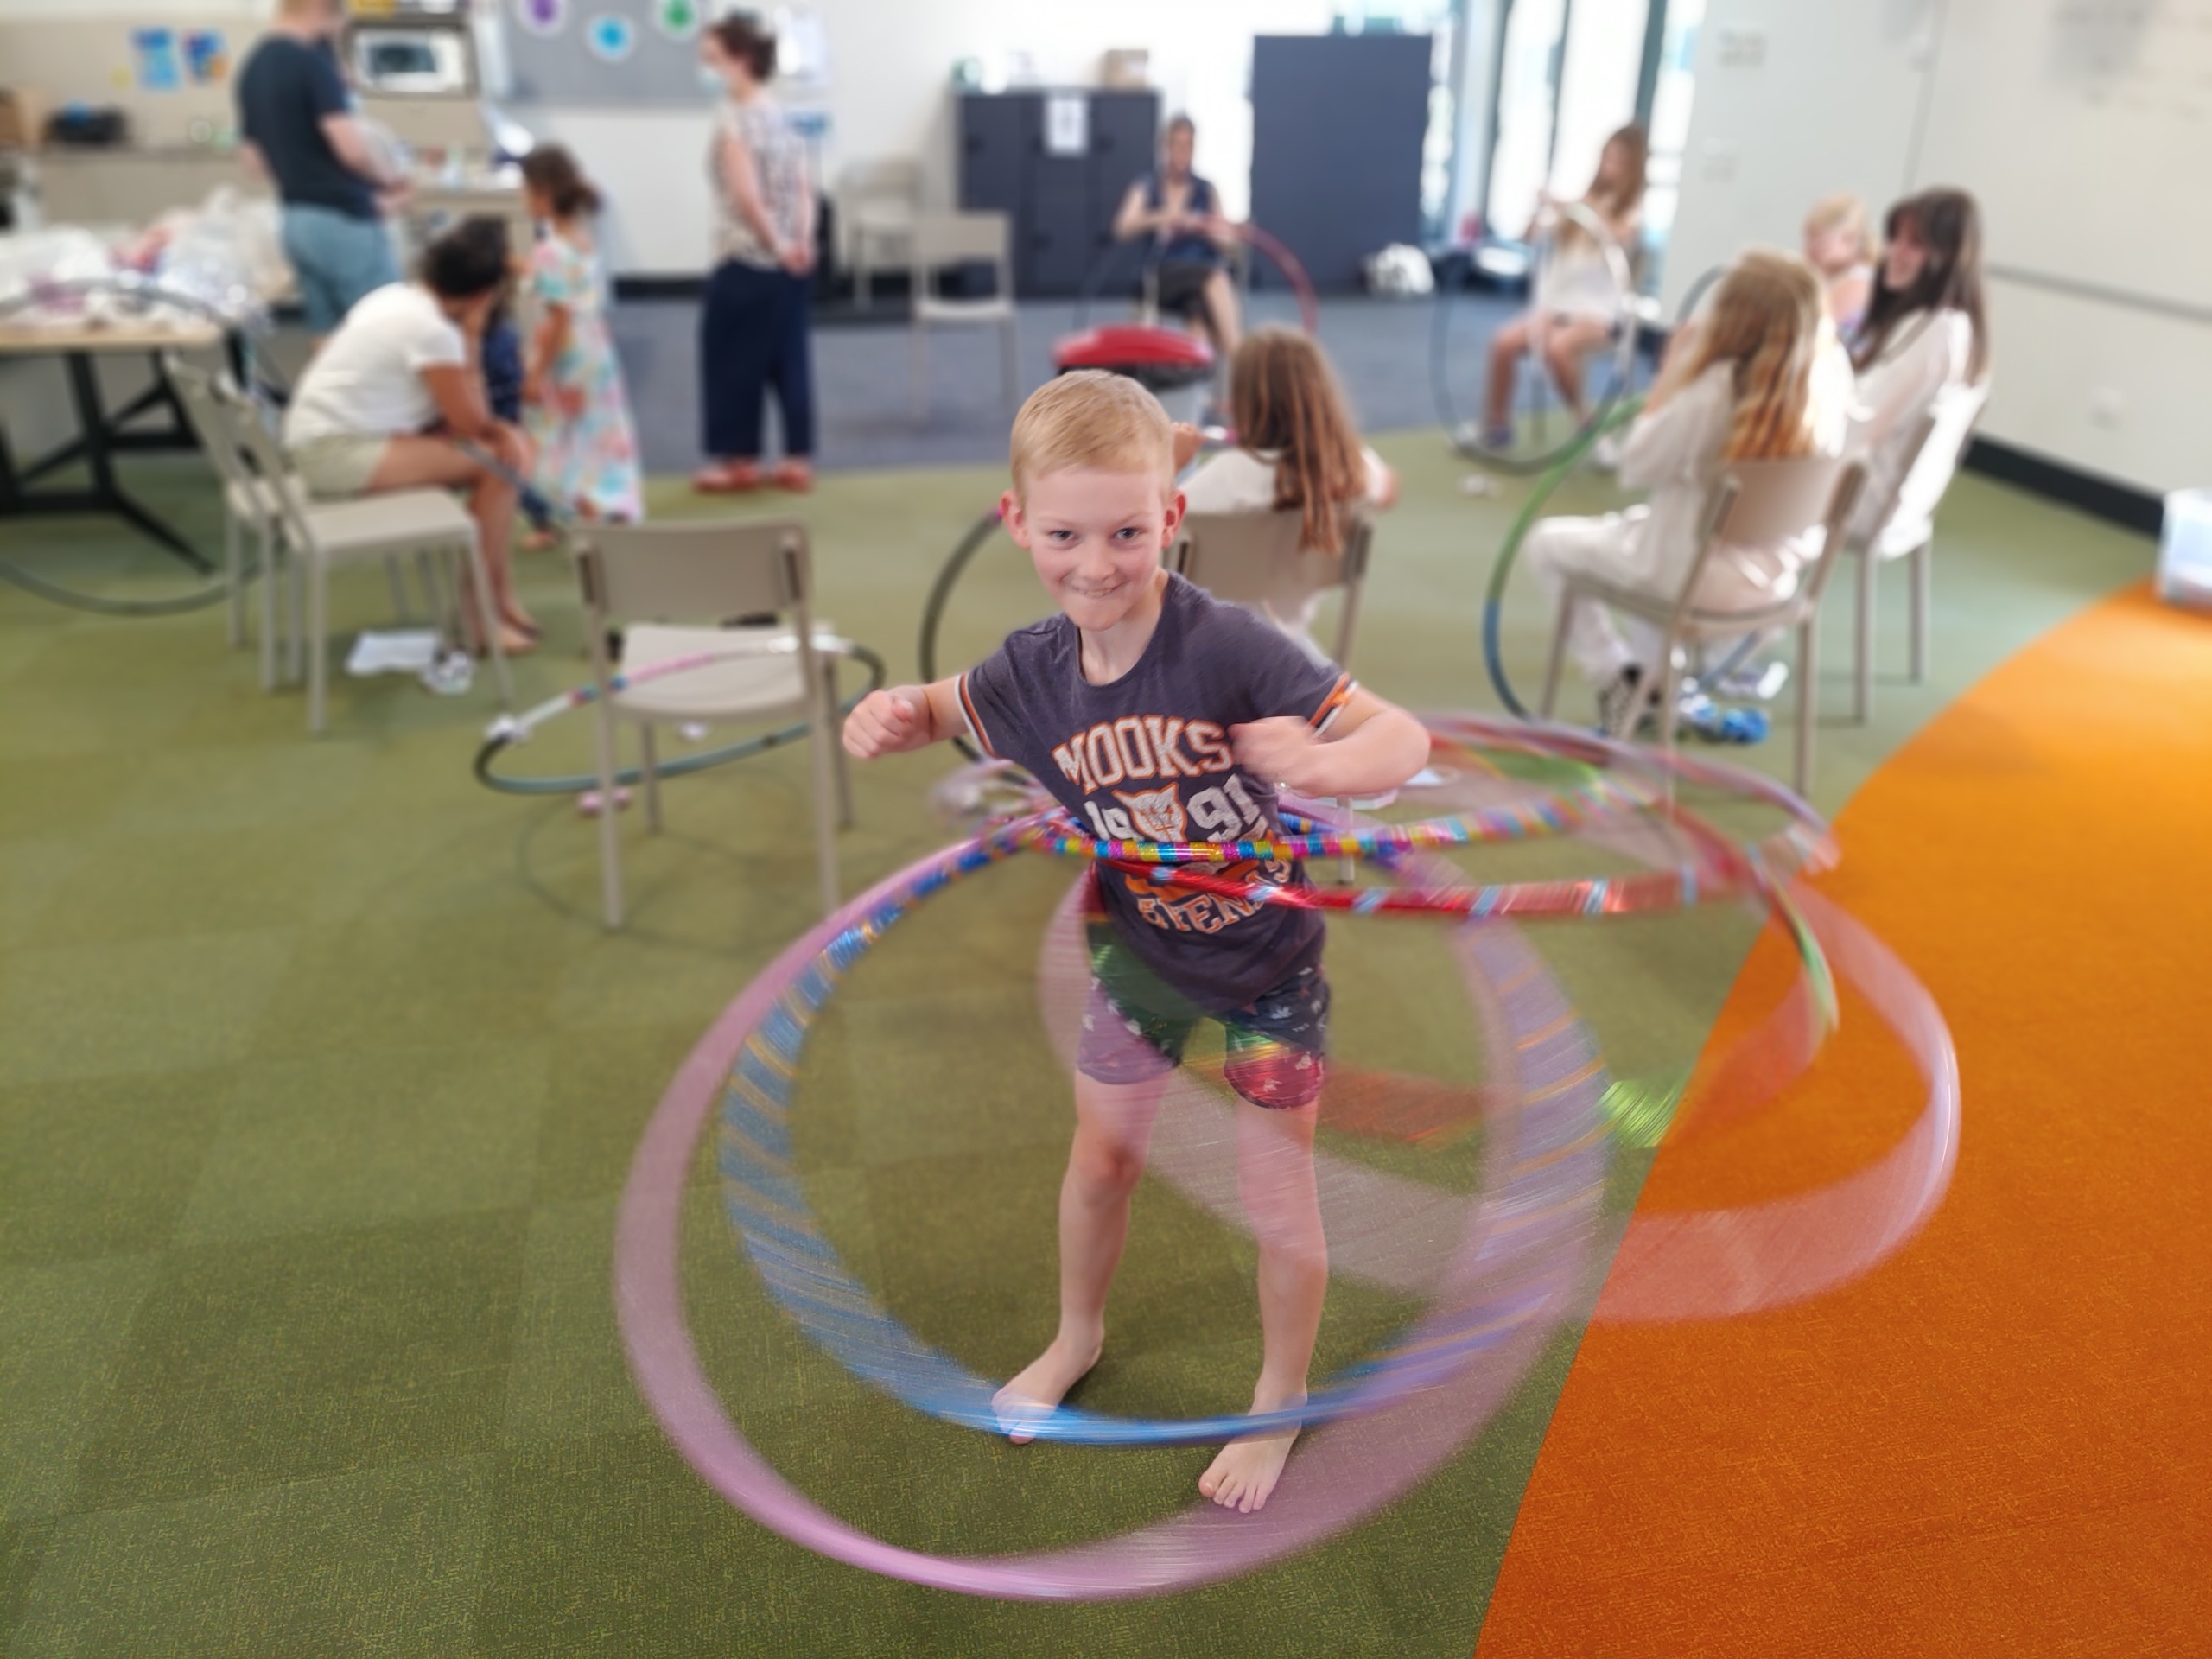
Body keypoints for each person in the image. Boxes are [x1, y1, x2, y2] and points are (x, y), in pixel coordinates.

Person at [841, 372, 1431, 1514]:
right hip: (1137, 956)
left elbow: (1398, 735)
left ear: (1172, 518)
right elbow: (938, 704)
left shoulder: (1233, 648)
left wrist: (1325, 764)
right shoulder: (1030, 673)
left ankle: (1276, 1402)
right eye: (1064, 534)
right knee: (1101, 1162)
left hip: (1267, 969)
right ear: (1018, 526)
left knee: (1277, 1194)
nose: (1096, 563)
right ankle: (1074, 1337)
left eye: (1126, 531)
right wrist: (895, 712)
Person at [1522, 250, 1853, 727]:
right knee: (1641, 538)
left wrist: (1671, 371)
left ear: (1733, 321)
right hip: (1774, 585)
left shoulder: (1714, 393)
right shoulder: (1828, 388)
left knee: (1547, 545)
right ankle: (1658, 688)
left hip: (1686, 577)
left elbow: (1635, 463)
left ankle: (1616, 676)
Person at [283, 219, 537, 655]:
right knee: (502, 467)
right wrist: (473, 338)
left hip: (316, 441)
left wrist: (503, 435)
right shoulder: (434, 331)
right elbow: (471, 423)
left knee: (506, 457)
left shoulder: (395, 298)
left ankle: (496, 597)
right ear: (483, 295)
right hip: (336, 453)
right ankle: (479, 614)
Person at [1179, 327, 1399, 657]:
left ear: (1241, 403)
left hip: (1205, 655)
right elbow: (1388, 488)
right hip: (1289, 654)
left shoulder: (1224, 477)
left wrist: (1171, 462)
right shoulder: (1354, 469)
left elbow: (1151, 522)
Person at [694, 11, 817, 494]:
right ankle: (796, 458)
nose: (708, 69)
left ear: (741, 60)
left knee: (729, 358)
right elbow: (805, 189)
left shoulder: (734, 121)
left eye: (713, 60)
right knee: (790, 360)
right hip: (793, 265)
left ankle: (738, 461)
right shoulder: (782, 116)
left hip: (747, 260)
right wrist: (801, 243)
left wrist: (778, 246)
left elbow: (747, 199)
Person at [236, 0, 410, 342]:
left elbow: (254, 162)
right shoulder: (311, 64)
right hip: (342, 221)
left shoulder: (252, 67)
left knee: (327, 334)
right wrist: (388, 182)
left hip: (296, 220)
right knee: (388, 332)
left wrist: (302, 169)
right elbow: (351, 148)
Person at [1481, 125, 1649, 448]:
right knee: (1503, 343)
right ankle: (1496, 426)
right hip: (1556, 307)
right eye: (1607, 157)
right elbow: (1531, 237)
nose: (1609, 167)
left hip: (1600, 316)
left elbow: (1618, 234)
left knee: (1558, 349)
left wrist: (1579, 206)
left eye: (1619, 161)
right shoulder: (1580, 205)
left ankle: (1586, 423)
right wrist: (1543, 211)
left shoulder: (1630, 213)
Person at [1847, 188, 1989, 558]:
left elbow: (1858, 427)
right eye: (1894, 238)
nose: (1893, 251)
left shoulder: (1934, 333)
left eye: (1915, 243)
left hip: (1865, 504)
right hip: (1906, 506)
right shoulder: (1960, 328)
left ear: (1949, 255)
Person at [518, 144, 644, 527]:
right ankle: (609, 501)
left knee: (555, 431)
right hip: (594, 347)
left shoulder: (549, 251)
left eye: (525, 193)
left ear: (541, 195)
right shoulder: (581, 237)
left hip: (567, 353)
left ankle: (561, 509)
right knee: (598, 428)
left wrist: (538, 373)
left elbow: (557, 319)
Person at [1114, 114, 1241, 365]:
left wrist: (1206, 228)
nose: (1182, 152)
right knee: (1215, 277)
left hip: (1198, 276)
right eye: (1177, 145)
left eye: (1188, 146)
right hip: (1162, 274)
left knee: (1198, 313)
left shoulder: (1206, 189)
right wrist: (1165, 216)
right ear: (1164, 146)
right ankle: (1241, 363)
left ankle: (1199, 394)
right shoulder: (1146, 185)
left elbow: (1228, 242)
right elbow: (1122, 227)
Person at [1803, 192, 1876, 335]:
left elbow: (1815, 331)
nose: (1810, 248)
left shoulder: (1857, 280)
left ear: (1850, 238)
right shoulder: (1832, 274)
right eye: (1809, 238)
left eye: (1821, 242)